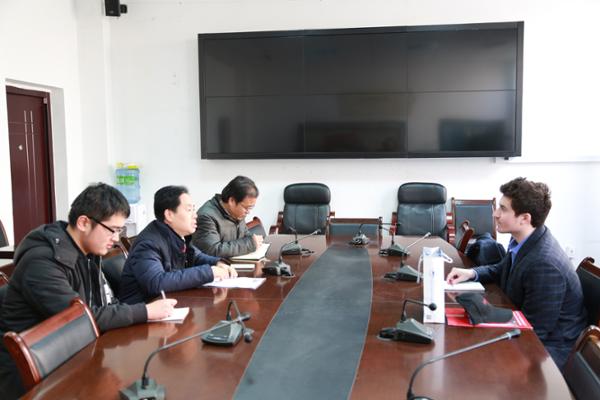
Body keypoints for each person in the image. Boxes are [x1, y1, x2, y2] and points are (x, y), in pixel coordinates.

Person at [0, 183, 176, 399]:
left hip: (71, 356)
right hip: (31, 379)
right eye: (113, 230)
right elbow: (80, 320)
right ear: (84, 222)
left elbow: (101, 305)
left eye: (120, 231)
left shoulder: (85, 251)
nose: (116, 239)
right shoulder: (42, 262)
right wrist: (145, 311)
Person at [446, 177, 587, 370]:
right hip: (530, 332)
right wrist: (471, 273)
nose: (495, 213)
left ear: (524, 218)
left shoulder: (544, 265)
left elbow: (534, 332)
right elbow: (501, 268)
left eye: (503, 209)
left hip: (549, 353)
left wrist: (487, 319)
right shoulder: (526, 240)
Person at [119, 185, 236, 304]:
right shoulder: (148, 244)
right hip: (143, 309)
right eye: (189, 210)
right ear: (169, 215)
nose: (195, 215)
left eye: (194, 209)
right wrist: (209, 272)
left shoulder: (176, 235)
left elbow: (195, 256)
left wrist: (217, 263)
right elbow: (156, 282)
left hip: (168, 304)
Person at [192, 176, 263, 257]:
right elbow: (213, 250)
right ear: (232, 201)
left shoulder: (237, 212)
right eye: (246, 207)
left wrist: (254, 239)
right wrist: (250, 244)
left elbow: (244, 234)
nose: (248, 212)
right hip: (216, 264)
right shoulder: (206, 216)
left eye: (250, 208)